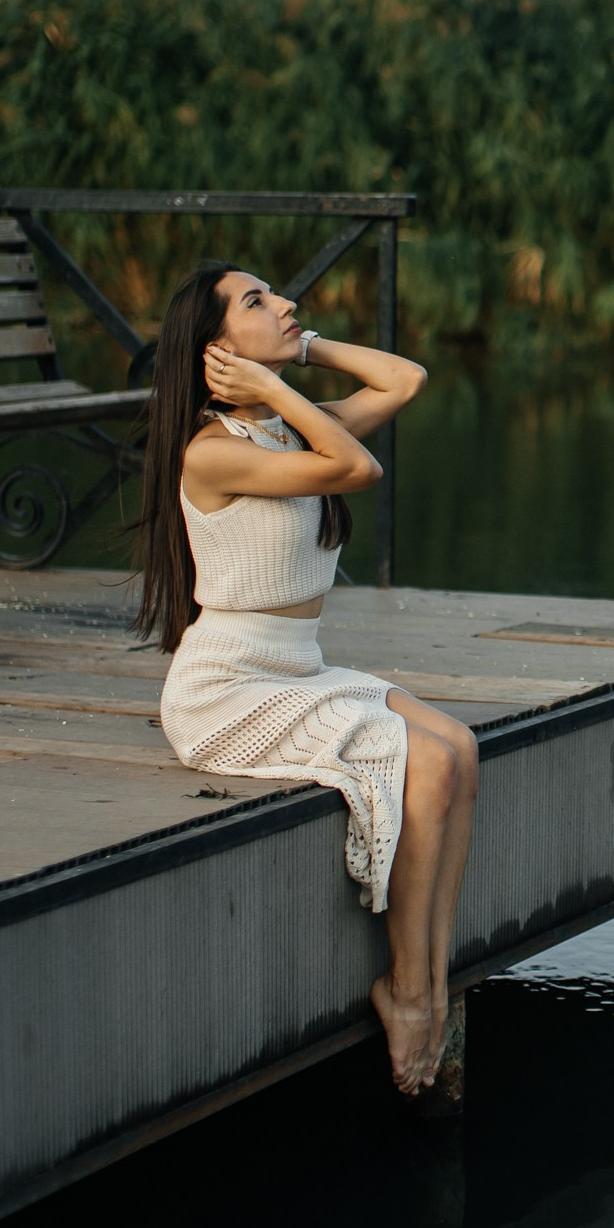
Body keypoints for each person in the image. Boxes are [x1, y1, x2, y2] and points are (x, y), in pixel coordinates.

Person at [133, 262, 476, 1096]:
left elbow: (405, 378)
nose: (287, 303)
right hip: (226, 691)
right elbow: (359, 470)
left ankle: (431, 987)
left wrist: (299, 351)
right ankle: (407, 992)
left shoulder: (288, 429)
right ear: (215, 351)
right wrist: (271, 385)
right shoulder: (213, 452)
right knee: (426, 762)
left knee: (460, 748)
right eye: (259, 302)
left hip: (296, 668)